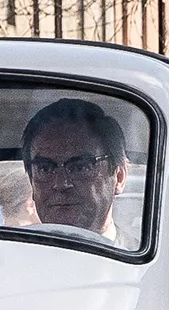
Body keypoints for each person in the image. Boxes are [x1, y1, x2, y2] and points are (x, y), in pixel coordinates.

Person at [18, 96, 129, 240]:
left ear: (119, 177)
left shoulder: (150, 259)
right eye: (45, 169)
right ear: (32, 181)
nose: (61, 184)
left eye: (81, 167)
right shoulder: (8, 258)